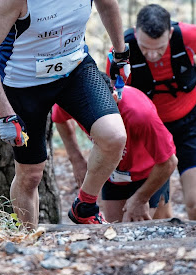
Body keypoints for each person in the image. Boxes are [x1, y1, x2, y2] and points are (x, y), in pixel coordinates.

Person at [0, 0, 130, 229]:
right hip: (24, 82)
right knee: (31, 175)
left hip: (75, 68)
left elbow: (108, 5)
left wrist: (121, 53)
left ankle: (84, 207)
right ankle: (27, 240)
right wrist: (6, 114)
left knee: (114, 137)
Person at [107, 3, 196, 221]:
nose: (152, 54)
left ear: (170, 33)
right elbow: (116, 98)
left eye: (159, 48)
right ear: (136, 32)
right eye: (145, 47)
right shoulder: (122, 51)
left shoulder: (189, 36)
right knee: (160, 214)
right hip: (151, 132)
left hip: (191, 123)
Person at [52, 74, 177, 222]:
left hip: (148, 173)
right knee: (116, 229)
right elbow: (58, 118)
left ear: (113, 99)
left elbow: (169, 162)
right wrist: (76, 159)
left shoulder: (139, 113)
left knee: (147, 229)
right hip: (113, 171)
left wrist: (140, 199)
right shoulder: (78, 102)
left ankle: (164, 208)